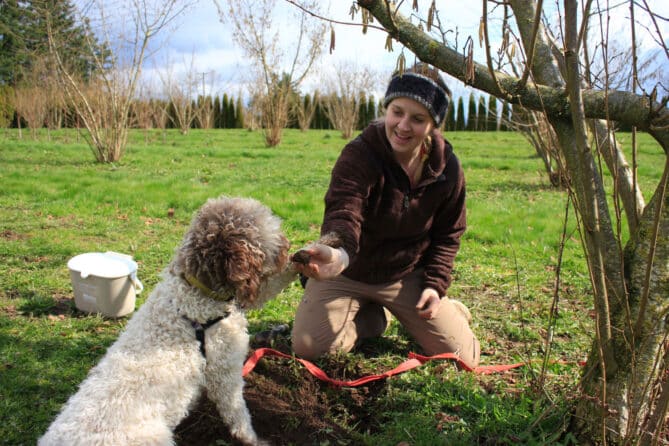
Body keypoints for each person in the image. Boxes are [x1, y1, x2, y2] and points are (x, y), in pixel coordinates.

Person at [290, 64, 480, 369]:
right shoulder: (360, 154)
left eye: (417, 119)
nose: (403, 126)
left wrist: (434, 285)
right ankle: (374, 320)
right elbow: (344, 210)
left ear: (433, 125)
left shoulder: (448, 169)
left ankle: (451, 311)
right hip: (349, 270)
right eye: (397, 112)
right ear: (386, 109)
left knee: (463, 356)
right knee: (309, 347)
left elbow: (449, 234)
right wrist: (338, 252)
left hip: (406, 276)